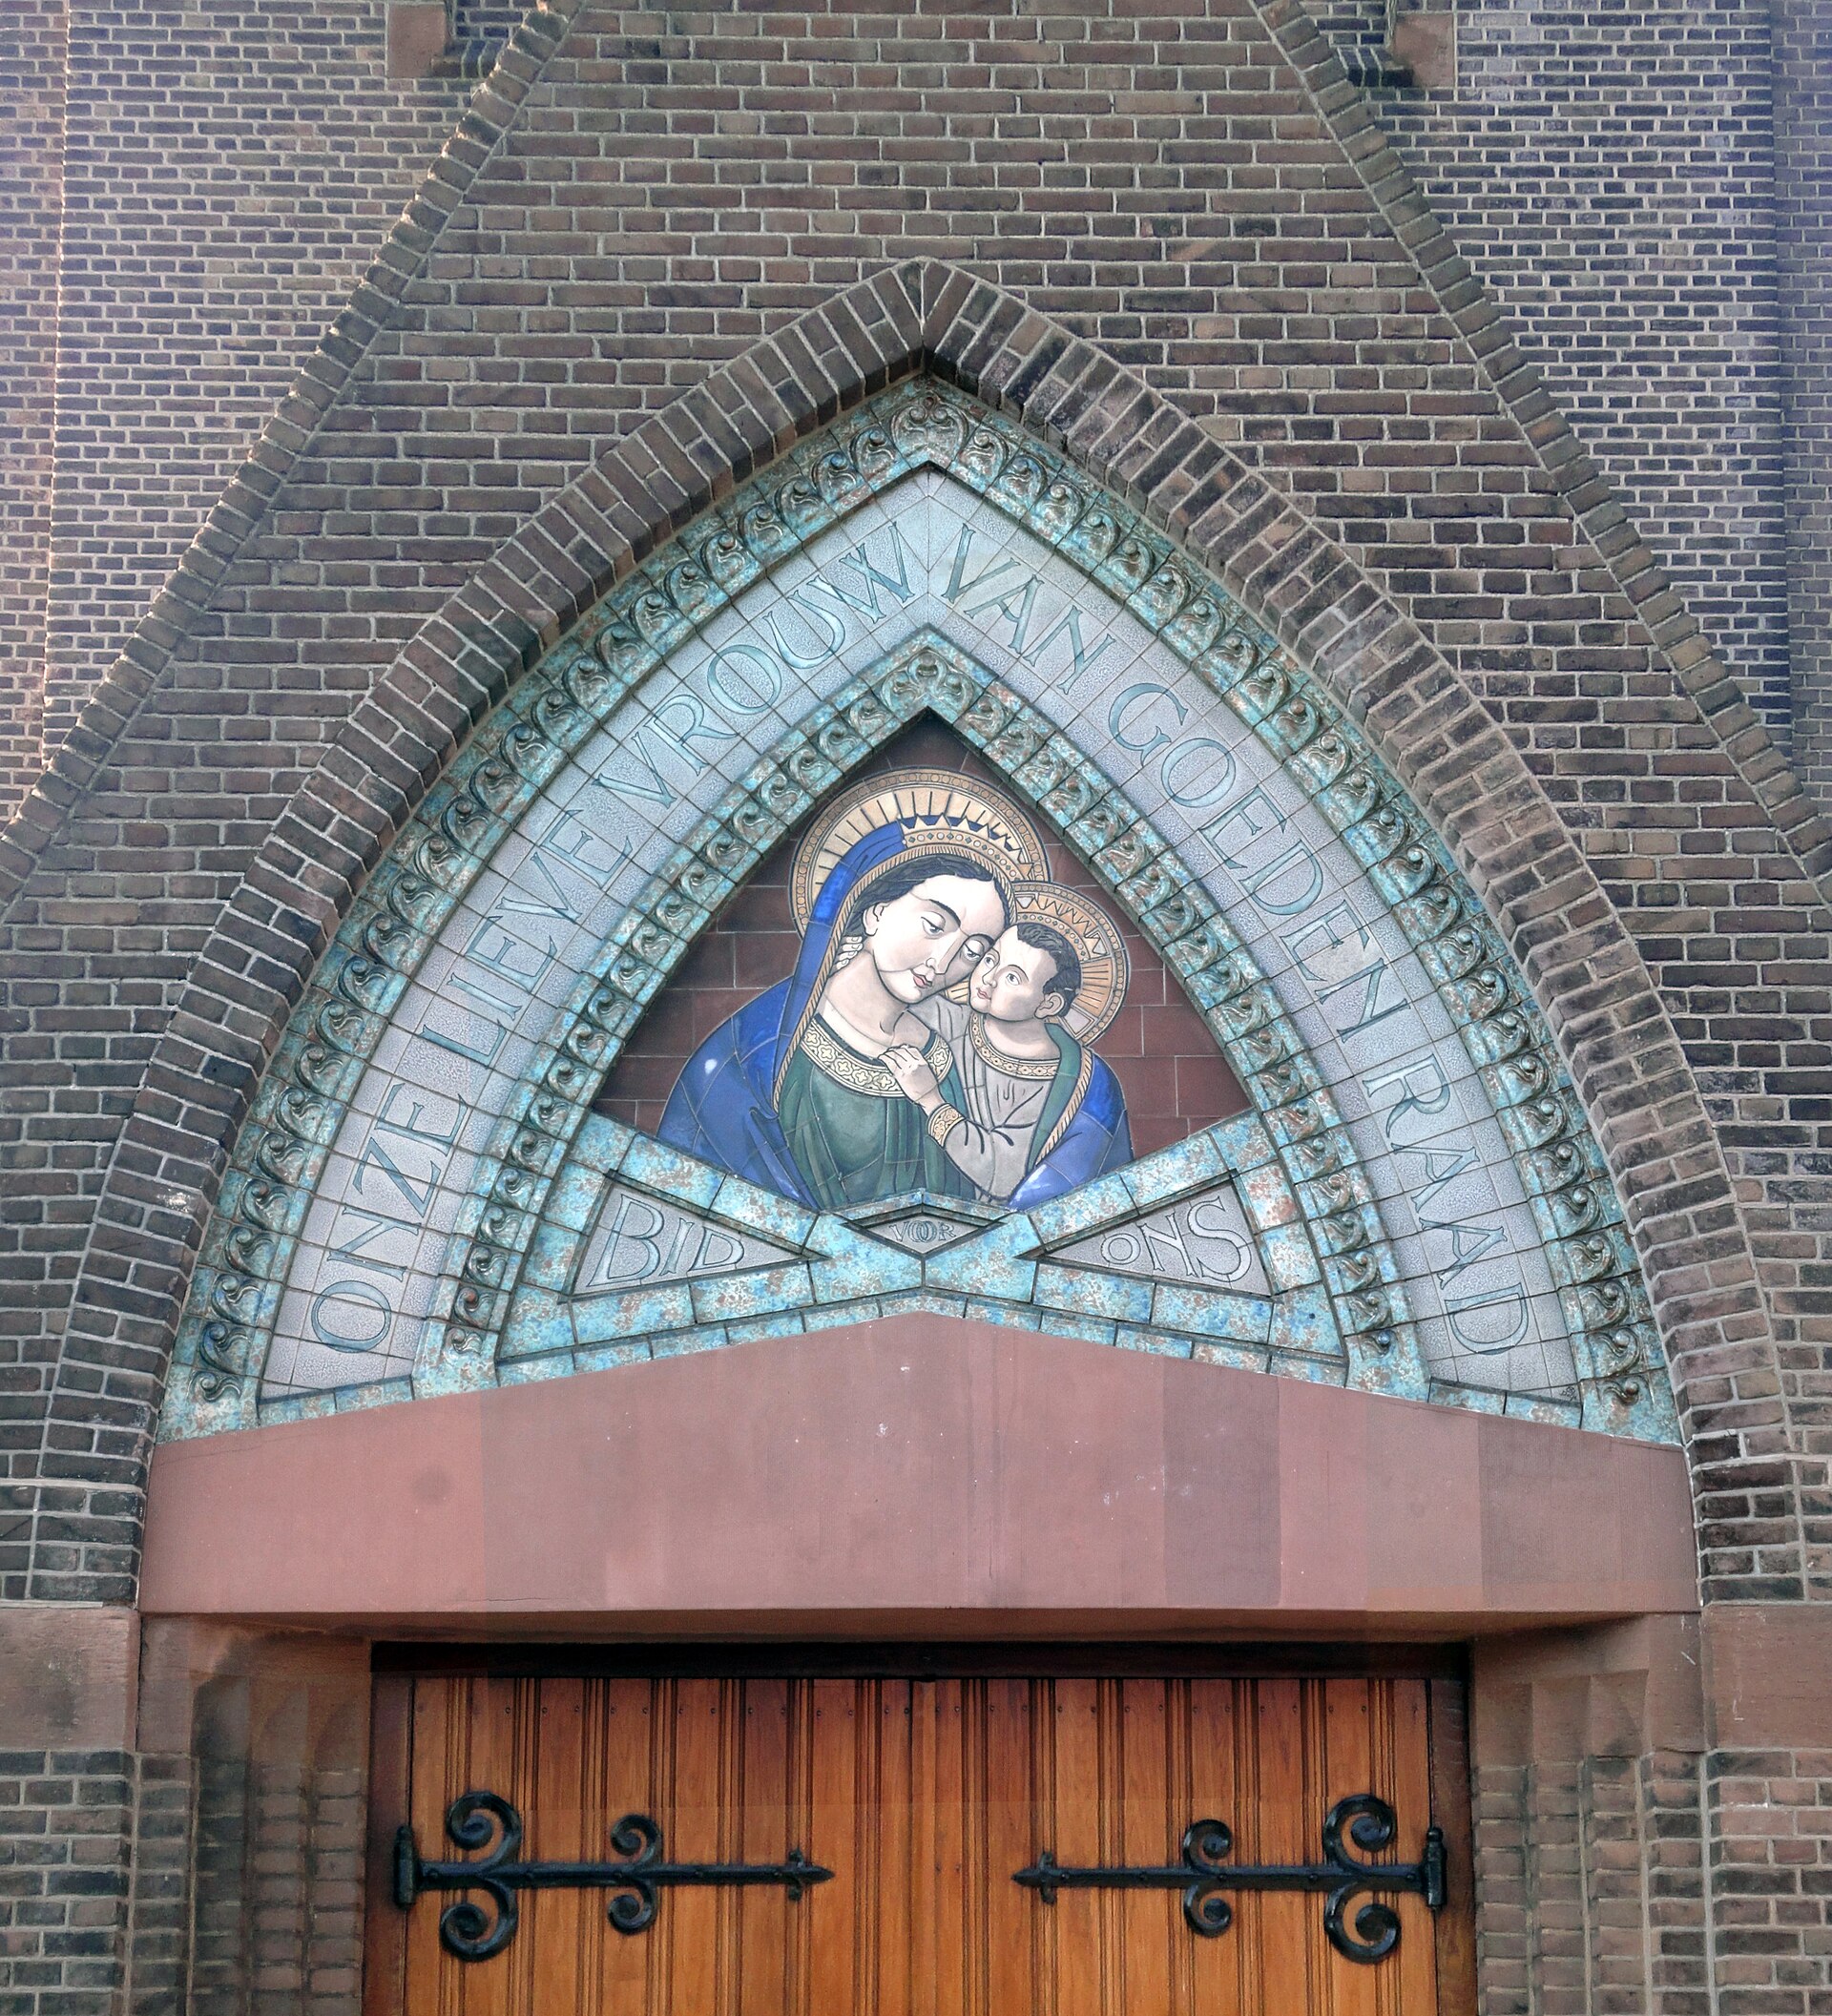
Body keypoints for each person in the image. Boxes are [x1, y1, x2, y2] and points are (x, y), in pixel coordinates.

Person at [658, 821, 1010, 1210]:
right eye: (934, 925)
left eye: (973, 951)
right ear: (875, 913)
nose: (943, 962)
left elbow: (959, 1203)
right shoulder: (756, 1050)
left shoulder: (936, 1058)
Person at [884, 916, 1134, 1208]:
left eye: (1012, 977)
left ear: (1048, 1004)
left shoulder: (1080, 1082)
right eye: (990, 960)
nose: (989, 978)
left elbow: (1004, 1179)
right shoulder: (944, 1018)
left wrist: (930, 1100)